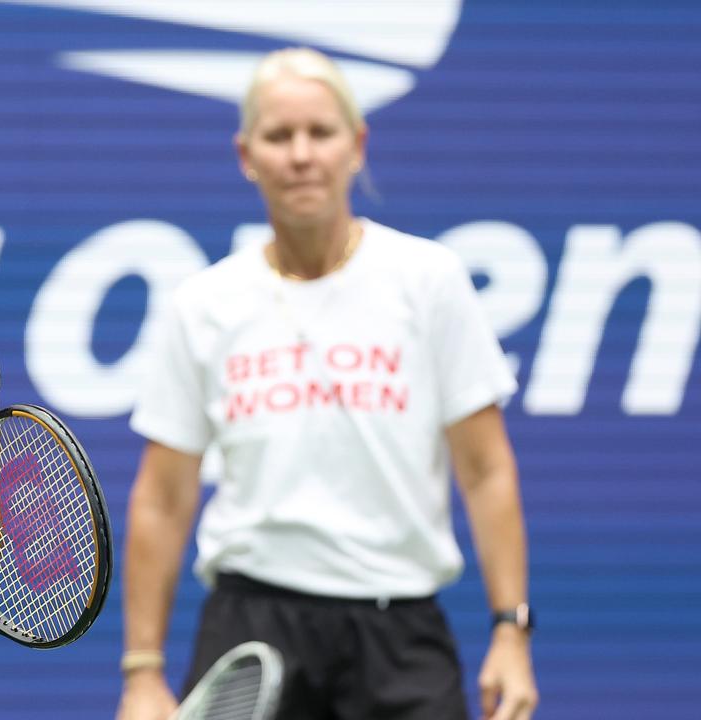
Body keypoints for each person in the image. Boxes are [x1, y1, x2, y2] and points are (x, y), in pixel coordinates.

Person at [116, 48, 538, 720]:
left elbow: (486, 470)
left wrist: (511, 632)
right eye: (279, 137)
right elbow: (162, 499)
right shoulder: (204, 303)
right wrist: (142, 673)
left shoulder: (429, 279)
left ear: (358, 145)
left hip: (400, 633)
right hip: (250, 626)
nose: (301, 154)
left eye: (321, 132)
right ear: (246, 155)